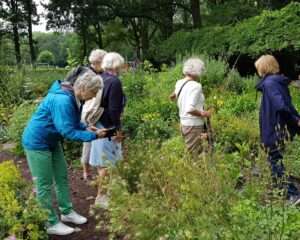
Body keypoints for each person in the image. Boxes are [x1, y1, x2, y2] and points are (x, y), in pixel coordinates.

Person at [22, 71, 108, 236]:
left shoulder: (74, 96)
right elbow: (67, 131)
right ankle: (50, 222)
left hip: (52, 141)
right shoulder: (63, 100)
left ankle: (66, 212)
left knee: (61, 176)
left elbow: (73, 122)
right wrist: (94, 135)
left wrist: (86, 127)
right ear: (83, 88)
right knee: (44, 185)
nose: (93, 97)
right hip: (37, 142)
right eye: (93, 92)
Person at [255, 54, 300, 204]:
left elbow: (281, 105)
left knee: (274, 161)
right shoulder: (276, 82)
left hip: (274, 129)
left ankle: (293, 194)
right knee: (274, 160)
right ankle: (282, 190)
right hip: (278, 128)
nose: (257, 71)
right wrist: (296, 120)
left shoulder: (270, 84)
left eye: (258, 68)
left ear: (263, 67)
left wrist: (294, 120)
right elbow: (287, 104)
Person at [89, 52, 126, 208]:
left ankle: (107, 193)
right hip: (108, 127)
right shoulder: (114, 82)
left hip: (97, 125)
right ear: (116, 65)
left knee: (102, 163)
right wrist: (117, 130)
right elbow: (114, 109)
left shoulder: (100, 78)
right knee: (106, 164)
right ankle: (101, 197)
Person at [170, 57, 212, 156]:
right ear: (197, 71)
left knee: (192, 152)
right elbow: (190, 109)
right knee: (195, 156)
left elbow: (172, 96)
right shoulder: (196, 86)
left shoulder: (180, 82)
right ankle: (193, 170)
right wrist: (204, 113)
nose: (202, 72)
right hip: (194, 125)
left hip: (184, 124)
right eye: (201, 69)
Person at [80, 49, 107, 180]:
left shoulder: (100, 73)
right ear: (98, 62)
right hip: (89, 113)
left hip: (95, 112)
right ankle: (87, 172)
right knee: (88, 142)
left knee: (92, 141)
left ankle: (90, 172)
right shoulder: (88, 74)